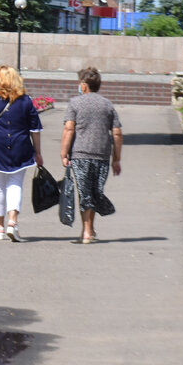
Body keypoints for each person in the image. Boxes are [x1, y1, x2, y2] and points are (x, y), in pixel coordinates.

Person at [0, 65, 44, 242]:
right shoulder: (25, 101)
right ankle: (12, 222)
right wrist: (38, 152)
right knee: (15, 184)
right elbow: (35, 129)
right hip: (21, 147)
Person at [60, 66, 123, 244]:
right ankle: (91, 229)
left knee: (85, 192)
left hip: (80, 154)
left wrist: (64, 153)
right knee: (95, 192)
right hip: (102, 154)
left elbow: (69, 128)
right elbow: (117, 133)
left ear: (84, 85)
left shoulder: (75, 103)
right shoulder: (107, 105)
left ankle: (86, 231)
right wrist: (116, 158)